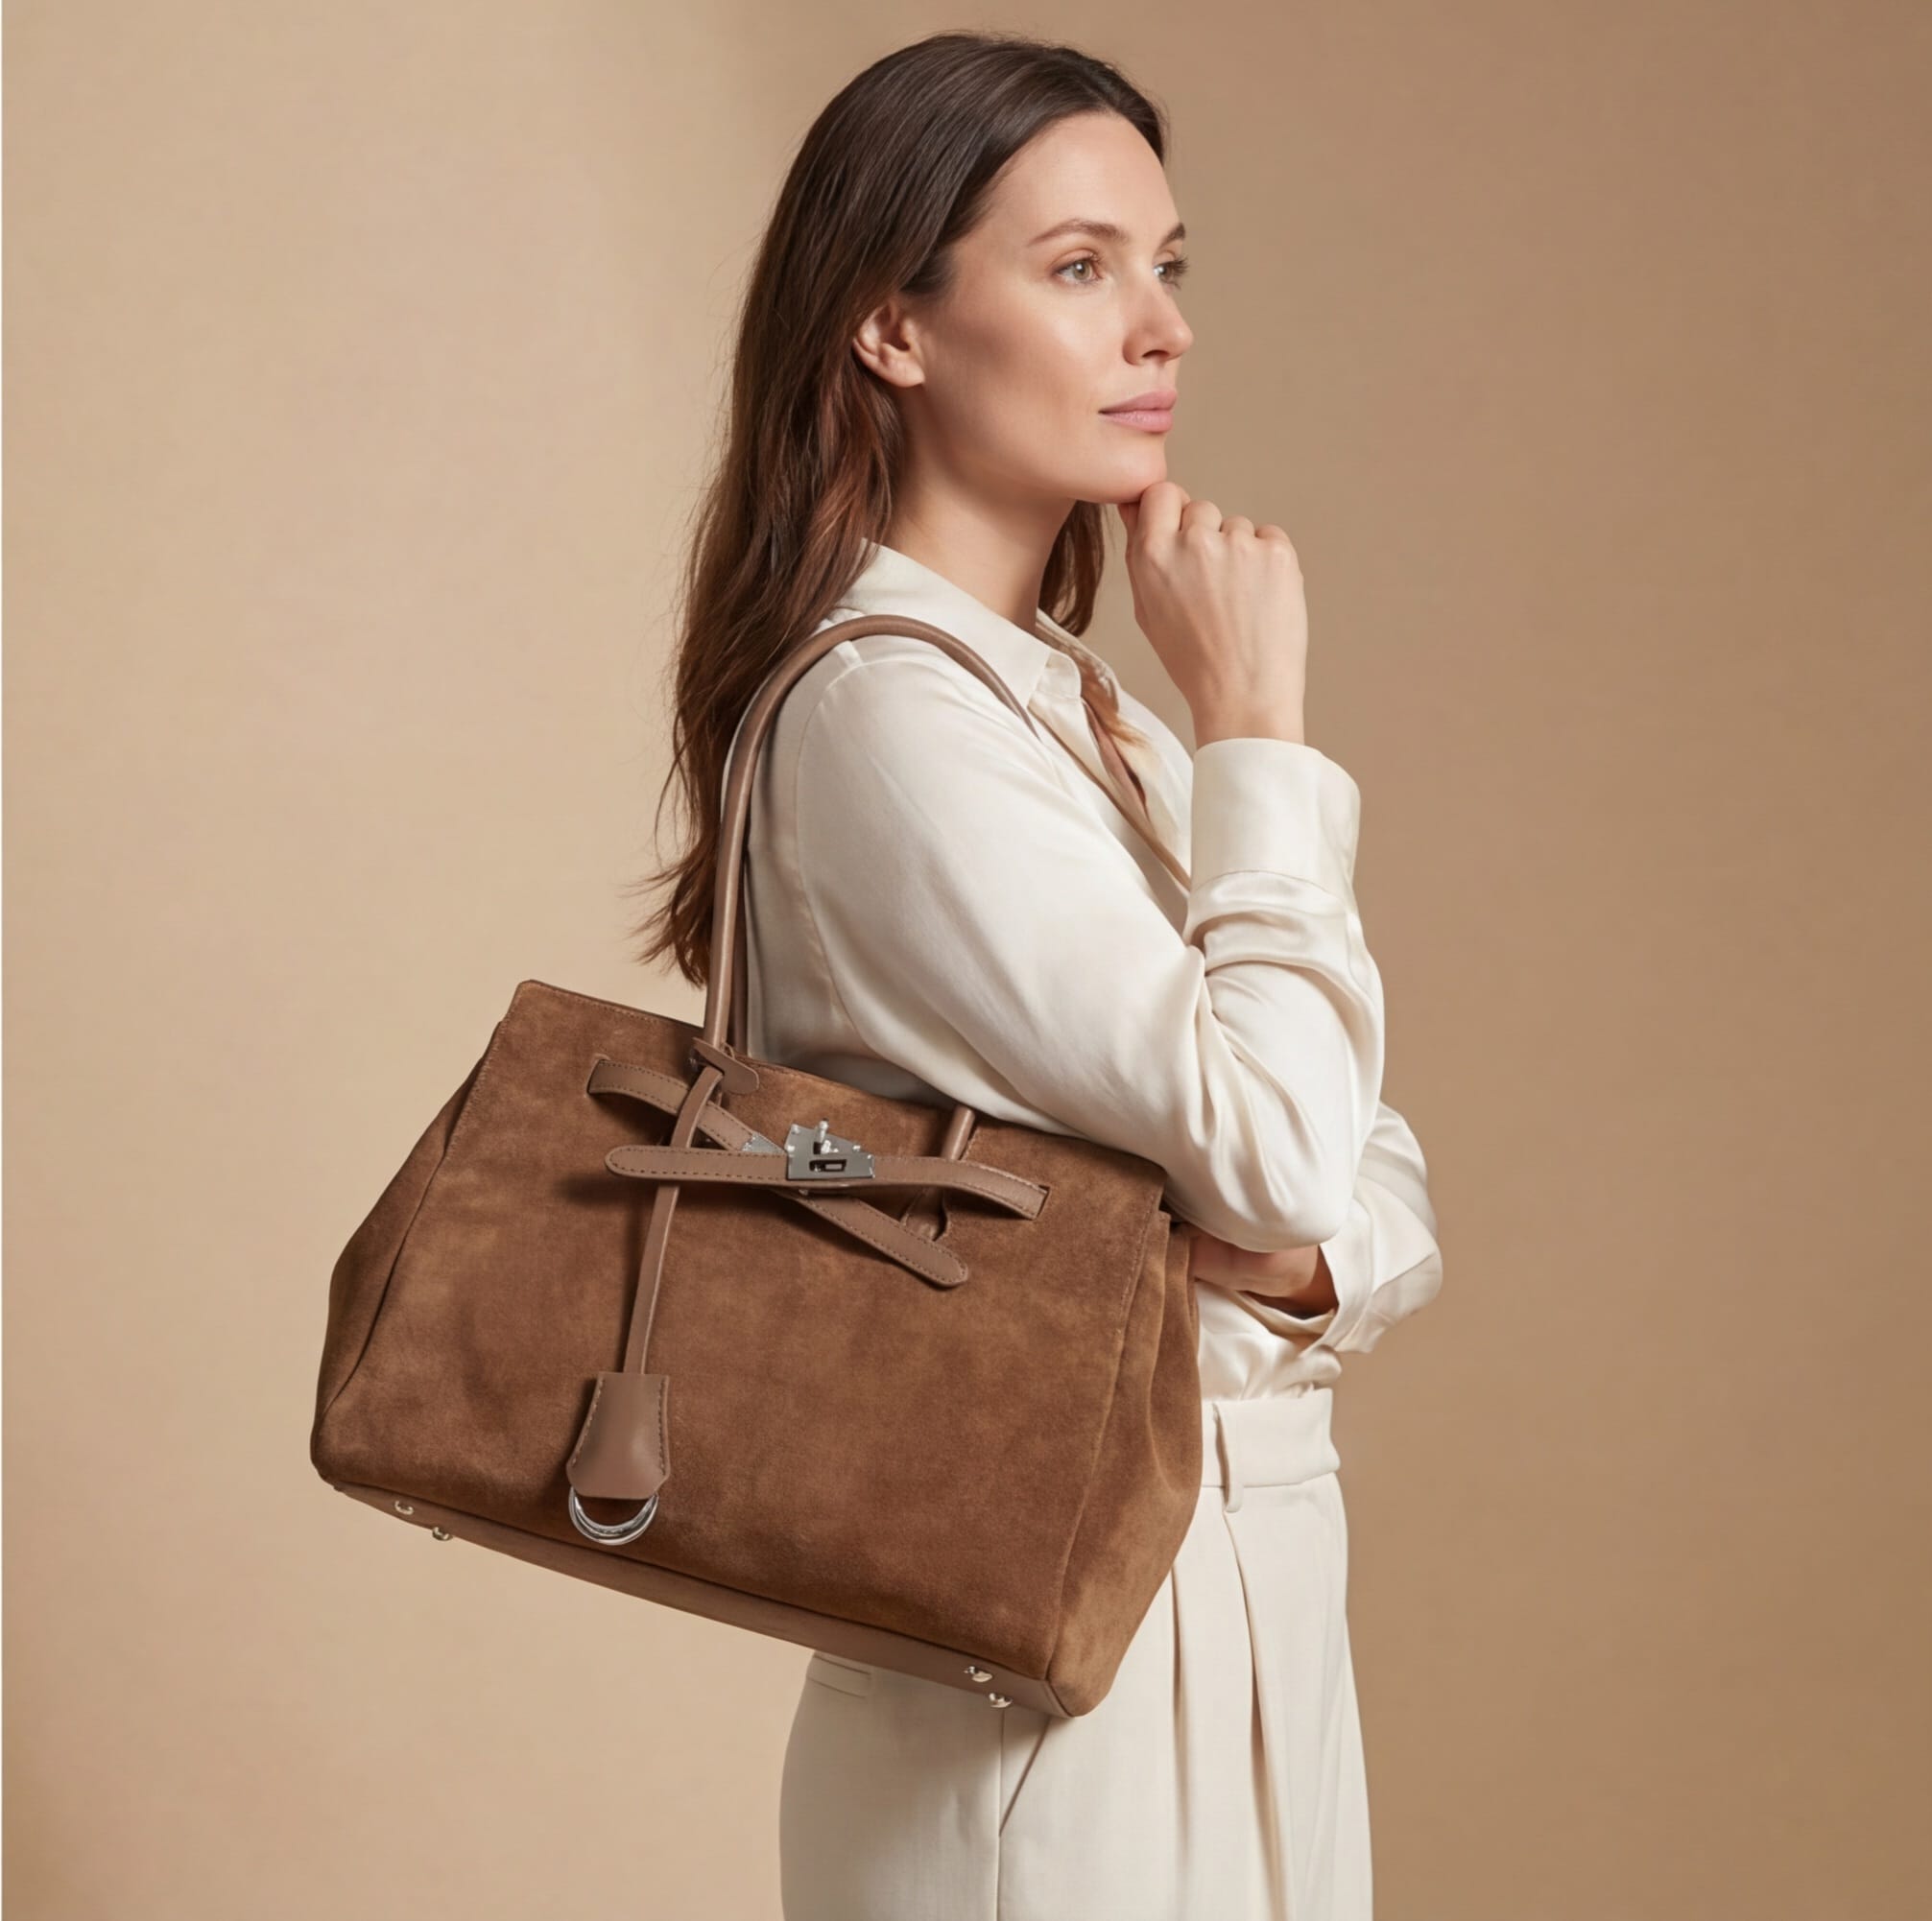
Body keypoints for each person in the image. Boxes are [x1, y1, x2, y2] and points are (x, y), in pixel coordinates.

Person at [630, 31, 1444, 1921]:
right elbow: (1277, 1144)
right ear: (889, 325)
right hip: (1053, 1662)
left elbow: (1364, 1171)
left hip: (1250, 1605)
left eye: (1165, 264)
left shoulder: (1084, 717)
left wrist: (1305, 1261)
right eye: (1079, 267)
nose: (1160, 327)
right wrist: (1257, 727)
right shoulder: (888, 718)